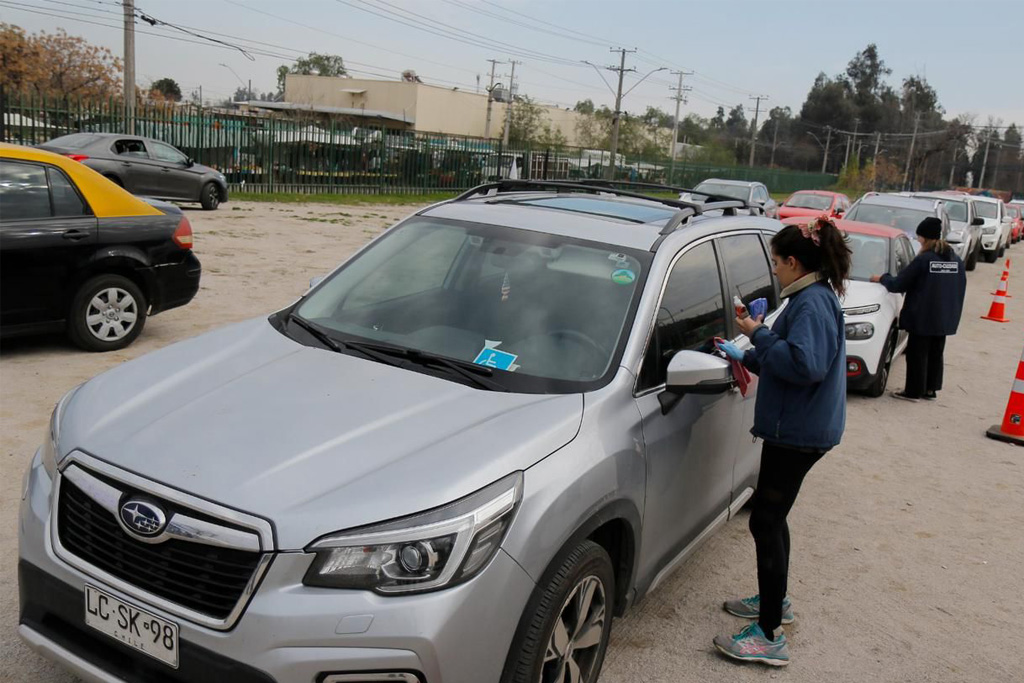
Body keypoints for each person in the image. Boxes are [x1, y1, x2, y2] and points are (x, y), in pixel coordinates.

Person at [713, 216, 850, 667]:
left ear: (794, 262)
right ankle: (777, 602)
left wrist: (759, 334)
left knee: (765, 522)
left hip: (798, 433)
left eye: (776, 262)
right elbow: (791, 358)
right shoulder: (813, 297)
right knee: (774, 517)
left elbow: (804, 364)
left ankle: (769, 634)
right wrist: (749, 354)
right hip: (801, 427)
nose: (773, 270)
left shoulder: (811, 302)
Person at [869, 216, 967, 401]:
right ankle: (930, 390)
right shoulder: (955, 260)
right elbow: (960, 286)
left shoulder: (924, 260)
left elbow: (899, 283)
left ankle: (913, 391)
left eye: (919, 236)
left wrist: (882, 278)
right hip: (945, 316)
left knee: (917, 354)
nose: (918, 239)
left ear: (925, 237)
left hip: (923, 316)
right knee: (936, 353)